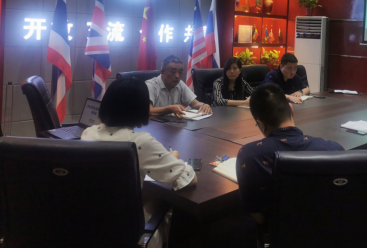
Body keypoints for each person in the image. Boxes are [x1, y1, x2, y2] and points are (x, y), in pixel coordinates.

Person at [82, 78, 197, 247]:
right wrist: (174, 157)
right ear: (141, 108)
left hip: (92, 222)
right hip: (128, 228)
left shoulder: (88, 133)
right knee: (171, 204)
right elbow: (189, 178)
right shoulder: (139, 141)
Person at [236, 84, 344, 226]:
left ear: (260, 124)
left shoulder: (249, 156)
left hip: (279, 233)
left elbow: (256, 213)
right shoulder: (334, 150)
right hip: (328, 230)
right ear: (291, 110)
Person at [146, 55, 212, 118]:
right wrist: (170, 109)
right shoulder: (150, 85)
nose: (177, 76)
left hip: (174, 123)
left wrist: (204, 105)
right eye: (173, 72)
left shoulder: (180, 84)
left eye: (180, 72)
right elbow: (148, 110)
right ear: (162, 72)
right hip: (155, 124)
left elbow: (194, 103)